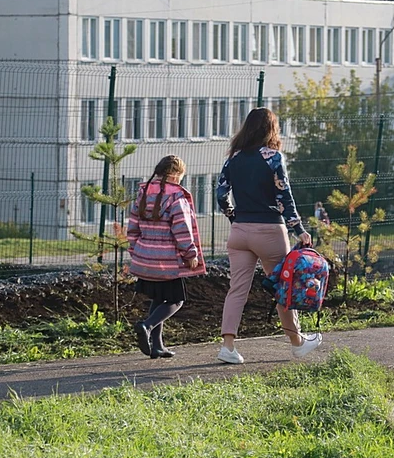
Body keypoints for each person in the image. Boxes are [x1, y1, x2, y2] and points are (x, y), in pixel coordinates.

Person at [215, 107, 322, 364]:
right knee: (283, 288)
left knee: (237, 290)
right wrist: (299, 229)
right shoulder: (273, 158)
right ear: (271, 129)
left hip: (239, 233)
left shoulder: (234, 157)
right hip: (269, 231)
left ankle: (227, 346)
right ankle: (297, 343)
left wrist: (234, 217)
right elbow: (284, 197)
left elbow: (221, 194)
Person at [127, 155, 206, 358]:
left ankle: (157, 345)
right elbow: (181, 228)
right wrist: (190, 254)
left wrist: (136, 251)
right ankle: (146, 325)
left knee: (159, 298)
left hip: (145, 258)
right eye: (180, 176)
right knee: (176, 300)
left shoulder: (143, 193)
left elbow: (133, 227)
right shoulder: (176, 197)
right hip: (167, 260)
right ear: (174, 174)